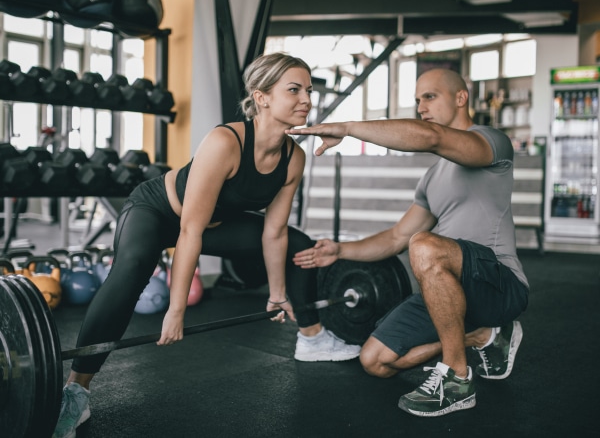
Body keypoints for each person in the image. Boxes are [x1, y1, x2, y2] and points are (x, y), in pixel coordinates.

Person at [52, 53, 361, 438]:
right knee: (131, 270)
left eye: (309, 90)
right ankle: (76, 390)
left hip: (213, 223)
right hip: (157, 210)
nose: (306, 100)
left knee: (299, 244)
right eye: (294, 90)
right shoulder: (225, 141)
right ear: (261, 97)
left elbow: (275, 232)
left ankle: (312, 338)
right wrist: (176, 309)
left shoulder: (293, 158)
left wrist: (277, 294)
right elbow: (189, 232)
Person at [287, 68, 529, 417]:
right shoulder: (433, 177)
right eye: (417, 100)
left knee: (425, 245)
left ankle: (457, 379)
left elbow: (431, 137)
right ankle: (480, 335)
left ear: (461, 98)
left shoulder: (492, 142)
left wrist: (348, 128)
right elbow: (397, 237)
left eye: (429, 97)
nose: (421, 107)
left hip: (499, 284)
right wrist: (340, 251)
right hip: (447, 294)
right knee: (375, 360)